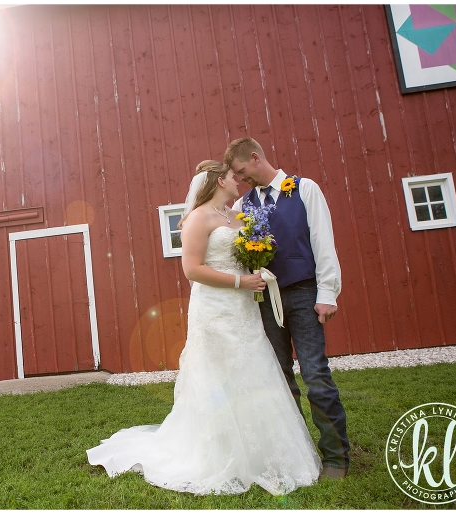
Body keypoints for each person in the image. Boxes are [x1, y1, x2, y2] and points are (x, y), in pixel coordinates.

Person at [86, 160, 321, 495]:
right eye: (231, 177)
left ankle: (263, 452)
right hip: (215, 307)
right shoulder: (197, 219)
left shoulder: (238, 216)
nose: (238, 181)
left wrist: (258, 261)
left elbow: (251, 249)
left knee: (254, 369)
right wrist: (241, 280)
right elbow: (192, 269)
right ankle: (220, 452)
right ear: (217, 181)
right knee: (220, 374)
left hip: (244, 307)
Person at [225, 137, 350, 479]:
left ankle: (336, 458)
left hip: (304, 294)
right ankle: (298, 455)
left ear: (255, 157)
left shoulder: (304, 188)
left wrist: (328, 293)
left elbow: (323, 241)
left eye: (241, 172)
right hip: (265, 301)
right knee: (279, 380)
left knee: (315, 373)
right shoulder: (243, 204)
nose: (240, 180)